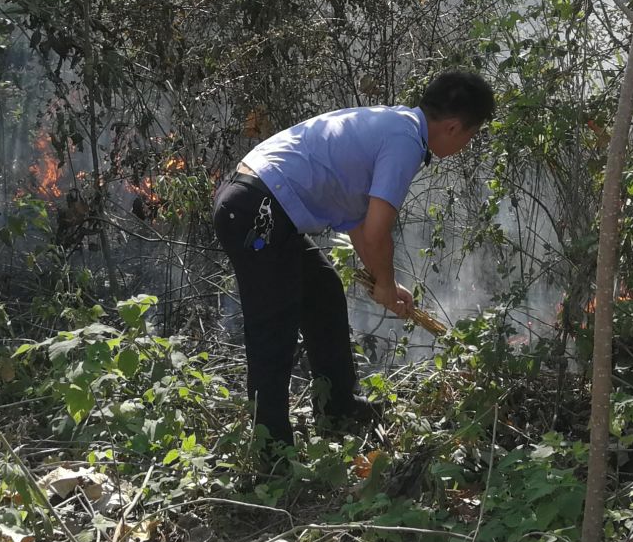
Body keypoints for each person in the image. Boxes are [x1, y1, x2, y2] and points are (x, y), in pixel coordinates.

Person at [211, 69, 496, 453]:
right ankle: (271, 452)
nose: (466, 144)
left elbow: (361, 223)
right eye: (471, 136)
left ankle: (338, 410)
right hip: (257, 209)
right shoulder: (405, 141)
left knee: (324, 292)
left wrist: (387, 284)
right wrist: (383, 281)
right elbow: (378, 232)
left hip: (258, 204)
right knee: (271, 330)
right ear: (454, 127)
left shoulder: (395, 124)